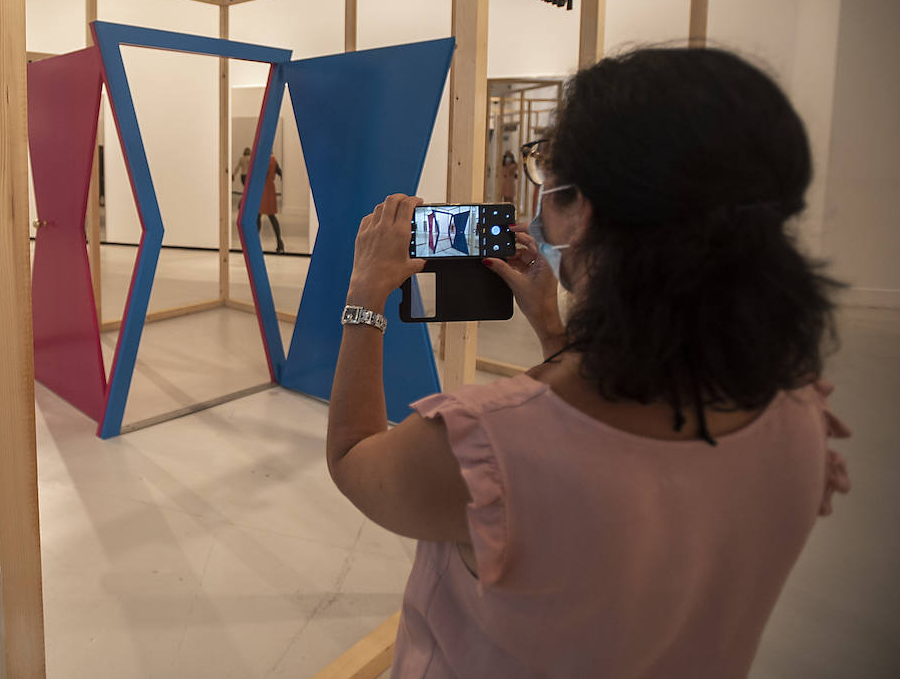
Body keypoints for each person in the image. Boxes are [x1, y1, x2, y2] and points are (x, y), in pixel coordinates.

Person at [326, 48, 849, 678]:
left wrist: (363, 296)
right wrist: (552, 326)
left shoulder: (488, 446)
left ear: (583, 208)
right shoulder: (802, 417)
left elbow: (356, 460)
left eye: (552, 190)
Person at [258, 152, 286, 254]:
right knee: (271, 216)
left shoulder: (264, 159)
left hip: (263, 188)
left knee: (258, 215)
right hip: (270, 188)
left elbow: (262, 173)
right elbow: (279, 172)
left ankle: (255, 242)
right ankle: (279, 242)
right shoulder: (274, 160)